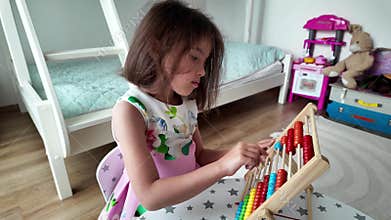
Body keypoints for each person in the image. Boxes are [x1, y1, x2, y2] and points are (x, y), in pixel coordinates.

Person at [99, 1, 274, 219]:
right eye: (194, 57)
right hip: (151, 210)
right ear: (156, 49)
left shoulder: (186, 104)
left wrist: (241, 154)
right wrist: (222, 167)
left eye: (205, 62)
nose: (202, 71)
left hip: (189, 196)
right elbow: (150, 196)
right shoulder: (131, 111)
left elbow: (199, 155)